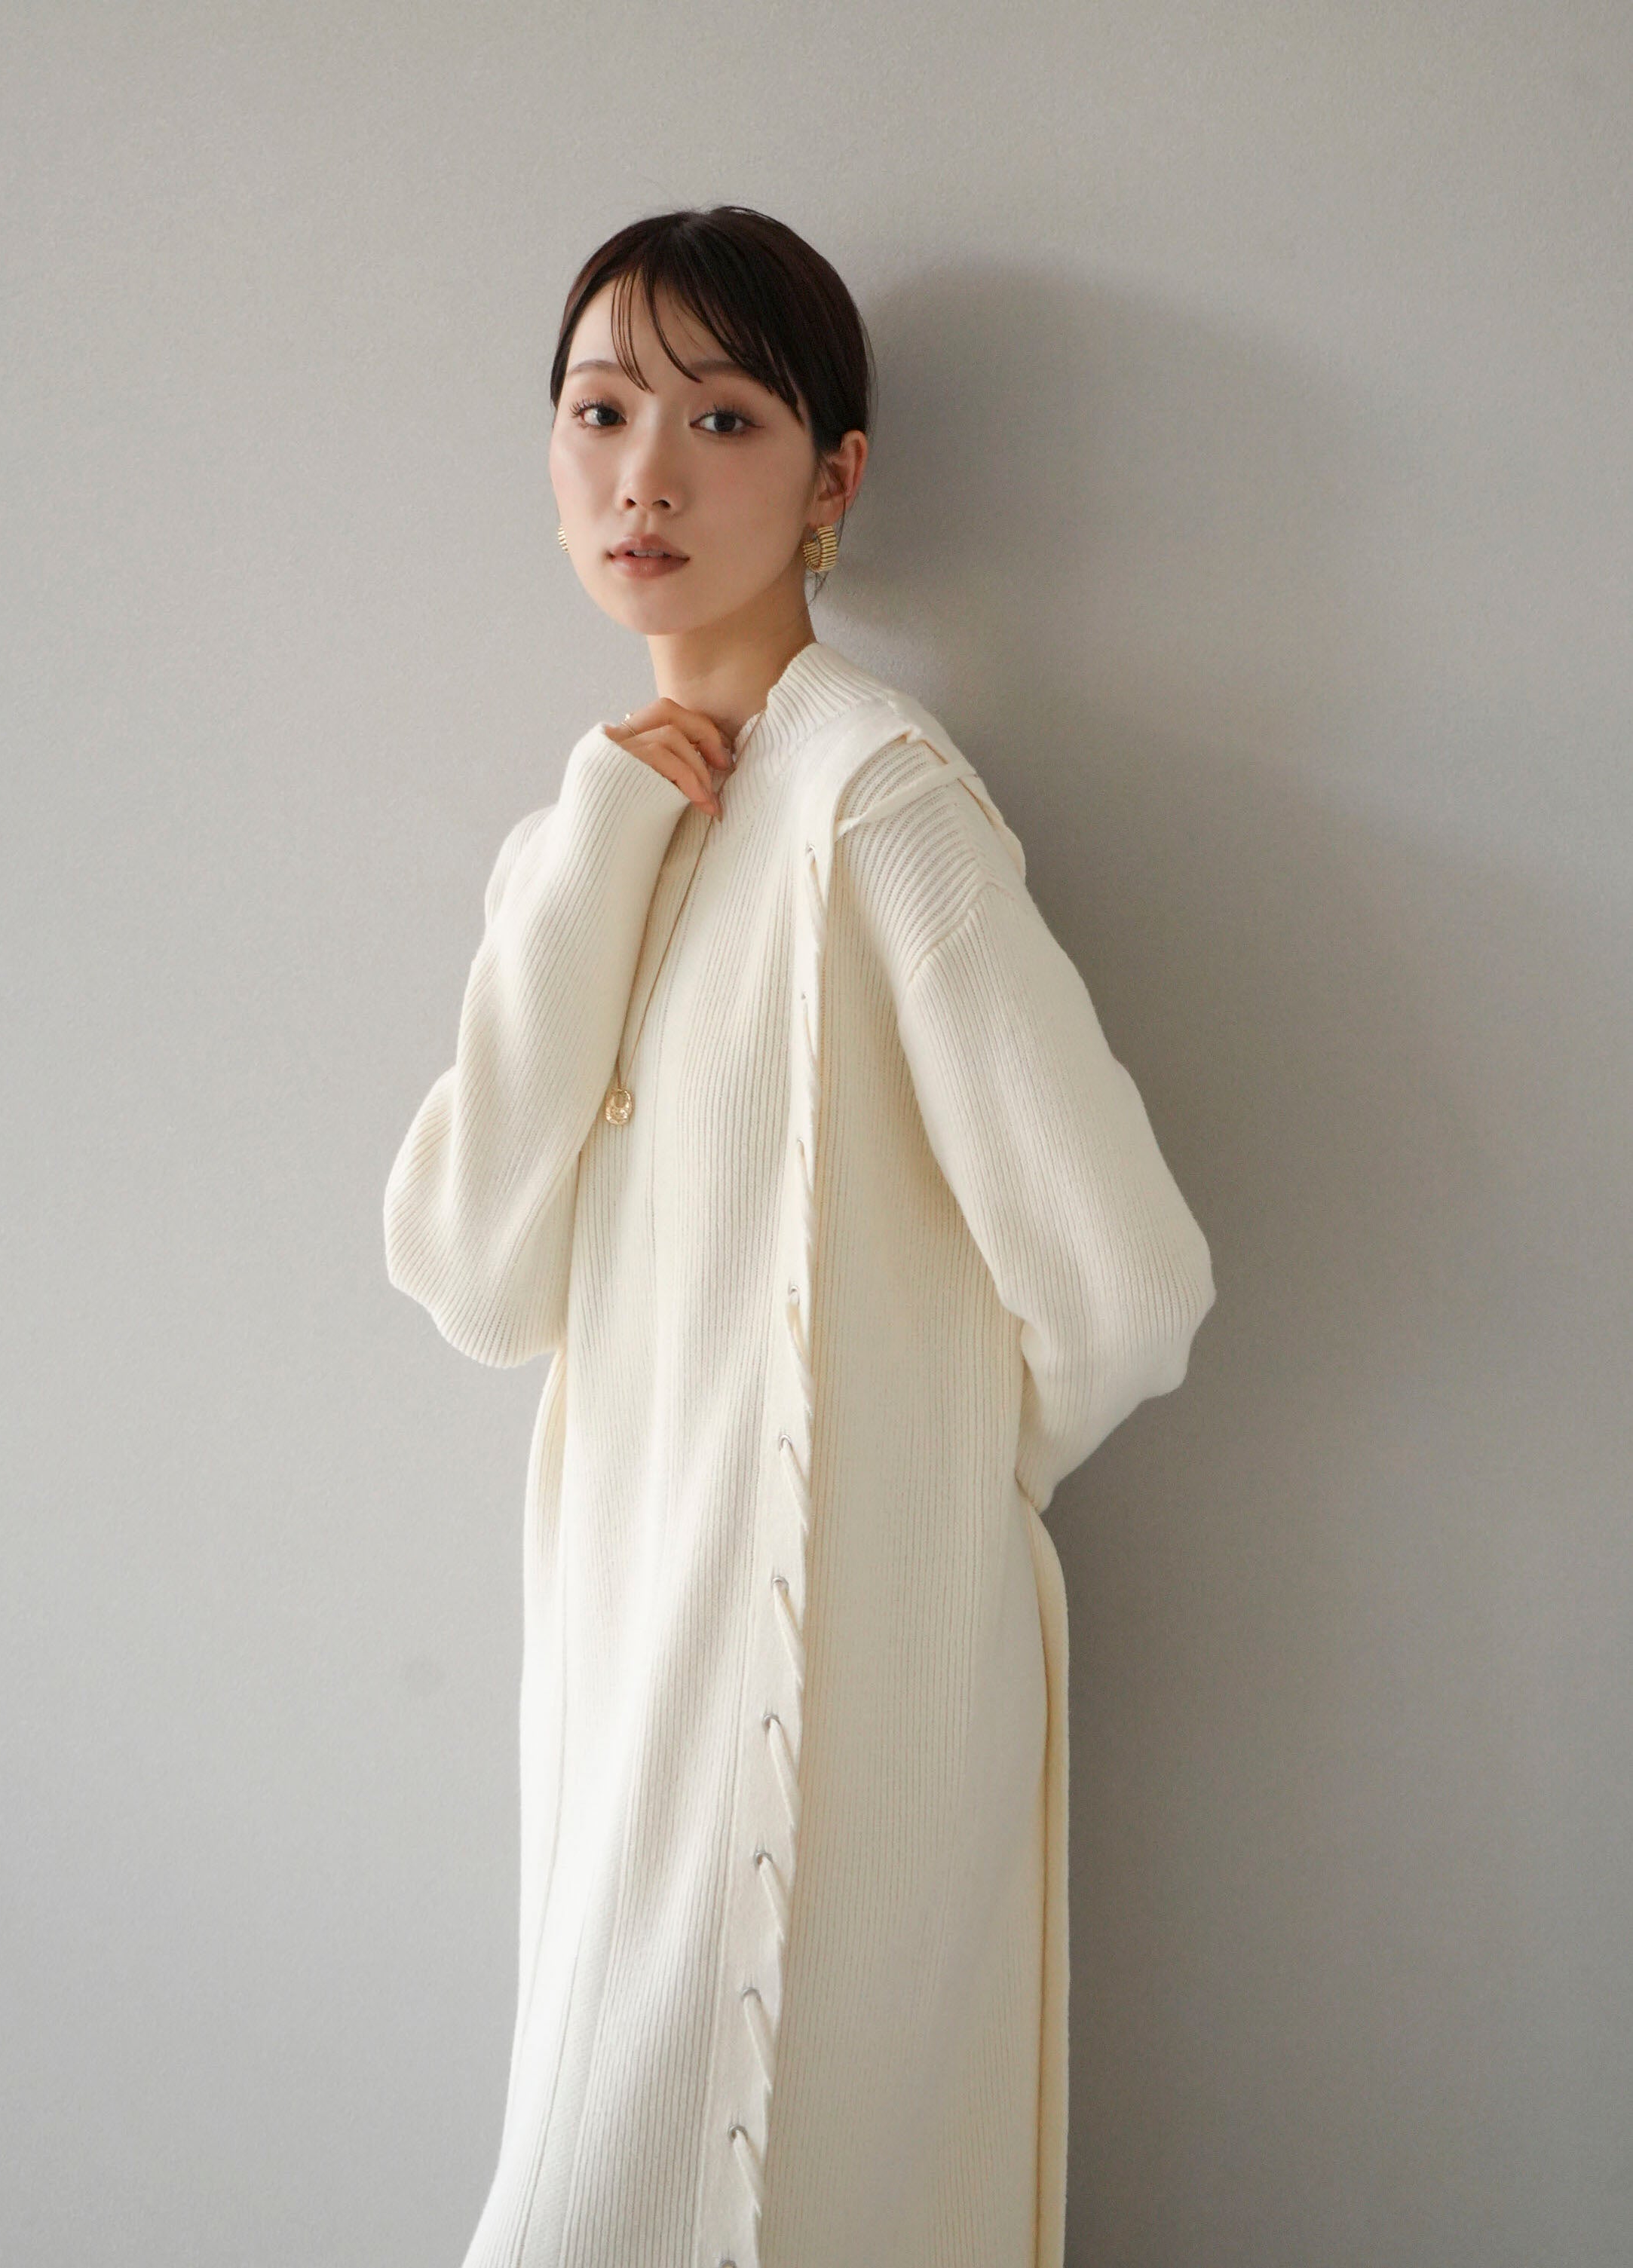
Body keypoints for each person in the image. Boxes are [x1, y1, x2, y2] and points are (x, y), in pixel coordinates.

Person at [383, 204, 1216, 2268]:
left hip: (822, 1689)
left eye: (723, 418)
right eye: (600, 414)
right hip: (625, 1679)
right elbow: (475, 1276)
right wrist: (598, 848)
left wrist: (903, 1484)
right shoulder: (578, 836)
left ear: (834, 479)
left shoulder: (880, 798)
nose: (646, 476)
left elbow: (1127, 1278)